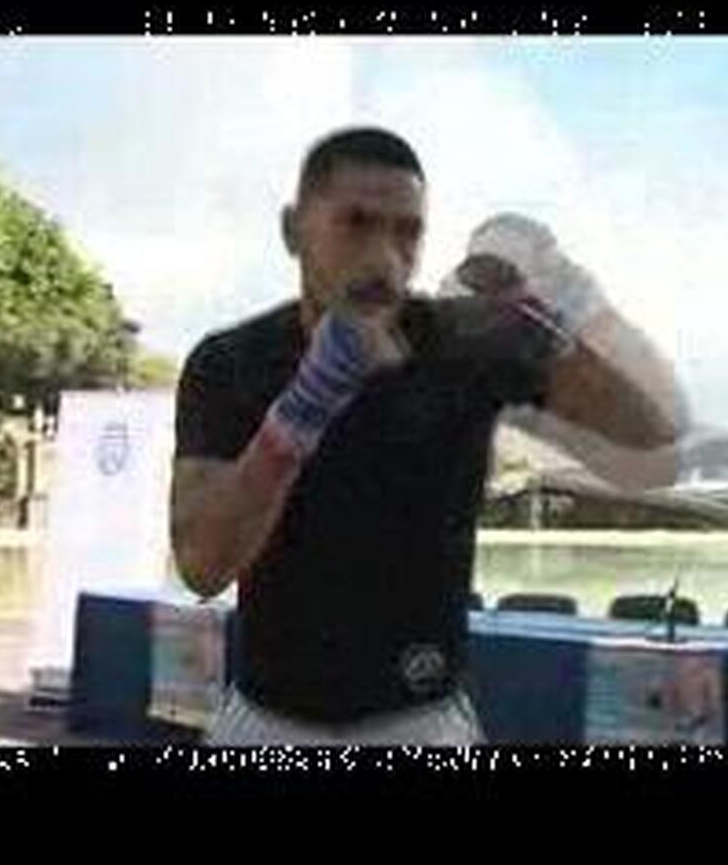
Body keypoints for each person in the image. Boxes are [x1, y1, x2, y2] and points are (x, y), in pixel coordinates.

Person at [170, 126, 688, 745]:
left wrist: (560, 323)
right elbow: (202, 567)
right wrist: (304, 407)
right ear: (293, 231)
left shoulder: (465, 343)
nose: (383, 255)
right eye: (356, 224)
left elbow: (649, 438)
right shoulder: (232, 362)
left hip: (421, 716)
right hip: (267, 715)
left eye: (407, 231)